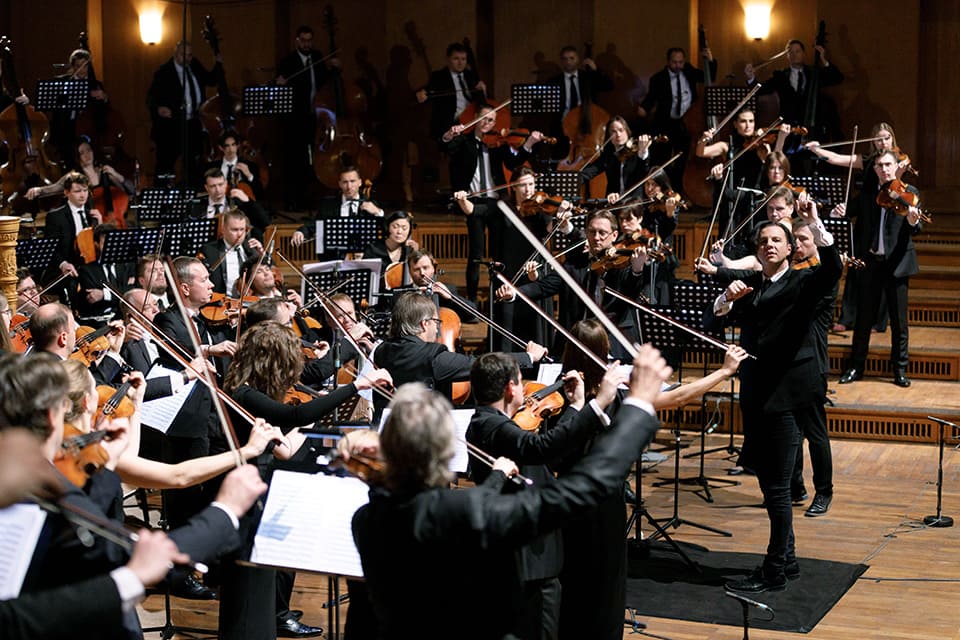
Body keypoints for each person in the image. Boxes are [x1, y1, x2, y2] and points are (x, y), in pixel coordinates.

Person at [346, 344, 669, 639]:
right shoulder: (460, 512)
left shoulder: (366, 519)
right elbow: (580, 488)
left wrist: (497, 478)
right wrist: (637, 407)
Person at [709, 207, 842, 593]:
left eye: (777, 241)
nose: (769, 245)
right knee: (769, 485)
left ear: (789, 250)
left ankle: (773, 569)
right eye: (763, 241)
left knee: (779, 488)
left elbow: (832, 269)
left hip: (786, 396)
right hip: (756, 395)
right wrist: (724, 300)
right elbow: (713, 323)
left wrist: (818, 229)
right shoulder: (750, 283)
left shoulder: (803, 282)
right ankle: (789, 558)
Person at [467, 352, 622, 639]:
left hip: (530, 558)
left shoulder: (490, 422)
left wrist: (575, 408)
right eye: (521, 381)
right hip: (530, 564)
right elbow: (543, 448)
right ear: (511, 388)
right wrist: (598, 404)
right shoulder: (492, 426)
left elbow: (542, 450)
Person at [497, 209, 647, 359]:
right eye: (592, 232)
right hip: (575, 341)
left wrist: (637, 269)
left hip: (614, 342)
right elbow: (543, 286)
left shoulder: (624, 264)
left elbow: (629, 297)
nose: (596, 238)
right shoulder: (573, 264)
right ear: (586, 233)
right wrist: (514, 292)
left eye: (602, 233)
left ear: (614, 235)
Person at [373, 292, 547, 409]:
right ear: (424, 324)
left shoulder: (381, 351)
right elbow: (482, 365)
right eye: (436, 321)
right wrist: (529, 356)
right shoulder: (433, 358)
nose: (437, 328)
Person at [806, 122, 903, 332]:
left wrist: (899, 168)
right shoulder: (868, 161)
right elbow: (837, 159)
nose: (882, 142)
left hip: (886, 214)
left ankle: (878, 322)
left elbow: (899, 186)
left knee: (884, 273)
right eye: (878, 138)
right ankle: (848, 318)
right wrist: (817, 149)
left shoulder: (896, 161)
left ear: (892, 139)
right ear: (872, 140)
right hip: (867, 214)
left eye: (886, 137)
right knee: (857, 269)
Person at [837, 150, 922, 388]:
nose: (884, 169)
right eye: (880, 165)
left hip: (897, 264)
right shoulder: (867, 194)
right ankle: (856, 366)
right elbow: (848, 211)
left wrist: (913, 220)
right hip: (871, 263)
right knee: (863, 318)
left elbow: (915, 231)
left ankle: (900, 370)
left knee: (898, 322)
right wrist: (837, 210)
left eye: (888, 165)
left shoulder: (909, 193)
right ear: (874, 169)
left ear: (896, 166)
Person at [445, 105, 542, 302]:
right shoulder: (465, 141)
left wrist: (530, 142)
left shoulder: (498, 144)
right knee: (476, 252)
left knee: (500, 251)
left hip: (497, 203)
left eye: (491, 120)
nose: (487, 123)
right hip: (474, 201)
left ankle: (497, 293)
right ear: (475, 118)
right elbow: (447, 147)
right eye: (484, 119)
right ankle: (471, 299)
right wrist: (450, 134)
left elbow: (515, 162)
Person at [636, 46, 717, 193]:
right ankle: (664, 192)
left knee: (683, 161)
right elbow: (651, 99)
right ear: (668, 62)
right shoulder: (658, 78)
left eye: (680, 62)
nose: (678, 66)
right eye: (674, 62)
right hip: (665, 125)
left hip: (687, 125)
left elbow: (709, 76)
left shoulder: (689, 71)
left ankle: (681, 192)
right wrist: (642, 111)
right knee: (663, 160)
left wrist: (710, 60)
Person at [745, 38, 843, 152]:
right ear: (787, 56)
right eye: (791, 52)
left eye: (798, 51)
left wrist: (823, 59)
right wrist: (750, 78)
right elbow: (761, 90)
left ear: (803, 54)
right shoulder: (780, 76)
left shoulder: (814, 73)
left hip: (813, 128)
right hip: (789, 130)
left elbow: (837, 78)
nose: (794, 55)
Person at [275, 25, 336, 211]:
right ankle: (293, 199)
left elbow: (325, 82)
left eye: (310, 40)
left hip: (315, 118)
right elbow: (277, 86)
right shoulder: (288, 62)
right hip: (294, 120)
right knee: (295, 160)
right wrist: (280, 84)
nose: (307, 44)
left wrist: (335, 69)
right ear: (297, 41)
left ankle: (312, 197)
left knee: (312, 160)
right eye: (304, 40)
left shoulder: (317, 57)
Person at [147, 41, 220, 187]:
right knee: (165, 164)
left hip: (193, 123)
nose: (187, 58)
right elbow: (151, 98)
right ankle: (160, 199)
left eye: (190, 55)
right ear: (175, 54)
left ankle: (192, 196)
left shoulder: (194, 65)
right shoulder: (164, 72)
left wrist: (218, 62)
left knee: (193, 164)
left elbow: (211, 80)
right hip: (172, 125)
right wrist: (159, 109)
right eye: (183, 55)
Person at [696, 109, 767, 257]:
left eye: (751, 121)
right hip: (731, 198)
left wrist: (767, 141)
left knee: (752, 239)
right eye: (743, 121)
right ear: (735, 124)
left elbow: (772, 160)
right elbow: (701, 152)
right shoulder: (727, 146)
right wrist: (703, 139)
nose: (748, 125)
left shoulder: (761, 146)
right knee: (728, 237)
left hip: (753, 200)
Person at [290, 166, 385, 253]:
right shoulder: (328, 204)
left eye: (352, 181)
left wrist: (378, 212)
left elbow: (385, 230)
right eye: (345, 182)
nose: (349, 187)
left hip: (363, 257)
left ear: (360, 182)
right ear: (339, 184)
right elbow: (314, 224)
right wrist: (300, 232)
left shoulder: (371, 204)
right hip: (334, 257)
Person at [47, 48, 111, 169]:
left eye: (85, 66)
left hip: (90, 132)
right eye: (78, 66)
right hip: (66, 131)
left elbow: (104, 111)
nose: (82, 71)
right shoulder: (62, 83)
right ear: (72, 67)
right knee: (68, 164)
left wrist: (104, 98)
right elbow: (53, 108)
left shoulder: (95, 85)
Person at [416, 42, 486, 141]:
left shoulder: (471, 76)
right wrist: (422, 95)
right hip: (449, 125)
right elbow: (428, 93)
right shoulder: (438, 76)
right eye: (456, 59)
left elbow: (483, 103)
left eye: (463, 59)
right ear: (448, 59)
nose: (460, 63)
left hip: (471, 123)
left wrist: (483, 92)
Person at [71, 223, 135, 327]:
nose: (111, 245)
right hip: (98, 323)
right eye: (106, 241)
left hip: (125, 319)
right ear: (96, 244)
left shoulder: (128, 266)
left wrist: (104, 295)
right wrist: (122, 291)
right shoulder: (86, 270)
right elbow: (93, 300)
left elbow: (131, 296)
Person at [43, 171, 102, 278]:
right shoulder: (55, 217)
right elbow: (51, 249)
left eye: (85, 190)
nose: (83, 195)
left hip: (92, 269)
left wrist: (100, 224)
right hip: (68, 271)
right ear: (66, 193)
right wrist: (63, 264)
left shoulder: (93, 215)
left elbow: (99, 246)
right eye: (77, 191)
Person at [580, 115, 651, 200]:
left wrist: (643, 152)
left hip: (634, 205)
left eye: (621, 130)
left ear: (627, 131)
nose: (618, 134)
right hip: (613, 204)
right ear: (609, 135)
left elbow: (643, 172)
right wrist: (569, 182)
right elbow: (588, 173)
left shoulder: (637, 152)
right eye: (613, 132)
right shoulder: (609, 156)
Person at [198, 209, 264, 296]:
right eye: (235, 230)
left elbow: (270, 274)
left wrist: (262, 254)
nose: (239, 234)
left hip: (250, 300)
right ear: (223, 229)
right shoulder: (209, 250)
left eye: (242, 229)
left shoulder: (252, 248)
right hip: (222, 302)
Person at [189, 167, 270, 232]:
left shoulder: (237, 204)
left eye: (220, 185)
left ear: (226, 184)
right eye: (213, 186)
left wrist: (248, 201)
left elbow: (265, 222)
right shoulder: (196, 207)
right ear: (206, 188)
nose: (218, 190)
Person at [550, 44, 614, 121]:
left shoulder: (587, 77)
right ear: (561, 61)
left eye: (572, 58)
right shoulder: (554, 81)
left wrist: (596, 70)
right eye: (565, 59)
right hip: (563, 121)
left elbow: (609, 86)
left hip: (587, 120)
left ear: (578, 59)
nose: (568, 62)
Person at [361, 210, 420, 292]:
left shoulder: (409, 251)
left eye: (404, 228)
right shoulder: (373, 249)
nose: (399, 232)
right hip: (378, 296)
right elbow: (365, 278)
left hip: (403, 298)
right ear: (388, 227)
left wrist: (416, 254)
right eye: (395, 227)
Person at [207, 130, 265, 200]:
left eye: (233, 145)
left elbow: (260, 193)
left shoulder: (250, 166)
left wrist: (249, 175)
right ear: (221, 148)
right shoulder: (211, 167)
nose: (231, 149)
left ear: (238, 145)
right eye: (227, 146)